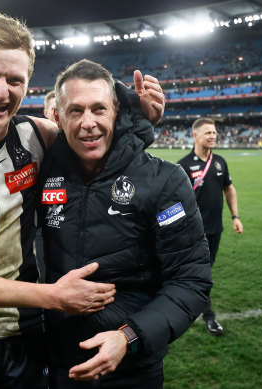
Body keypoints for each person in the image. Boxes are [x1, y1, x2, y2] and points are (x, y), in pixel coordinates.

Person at [0, 13, 164, 388]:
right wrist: (54, 296)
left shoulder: (37, 135)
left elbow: (97, 151)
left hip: (28, 338)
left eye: (14, 80)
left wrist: (142, 122)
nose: (1, 92)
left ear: (27, 84)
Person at [36, 59, 212, 388]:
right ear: (57, 117)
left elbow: (191, 281)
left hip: (131, 369)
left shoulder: (164, 181)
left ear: (117, 112)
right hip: (55, 365)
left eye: (99, 109)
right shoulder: (44, 172)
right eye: (75, 111)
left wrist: (127, 337)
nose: (88, 122)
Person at [178, 117, 243, 336]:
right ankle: (208, 316)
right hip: (194, 234)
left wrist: (235, 216)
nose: (213, 136)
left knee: (204, 272)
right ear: (195, 136)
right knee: (202, 275)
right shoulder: (183, 166)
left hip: (216, 230)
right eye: (208, 133)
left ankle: (188, 305)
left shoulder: (220, 162)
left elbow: (229, 189)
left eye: (214, 132)